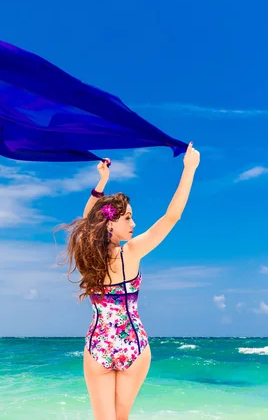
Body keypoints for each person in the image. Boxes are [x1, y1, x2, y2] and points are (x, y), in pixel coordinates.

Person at [55, 142, 200, 419]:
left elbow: (89, 219)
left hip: (98, 345)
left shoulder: (89, 257)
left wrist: (102, 183)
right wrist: (189, 170)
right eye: (129, 218)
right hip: (132, 344)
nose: (134, 224)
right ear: (111, 223)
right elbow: (172, 217)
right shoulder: (130, 253)